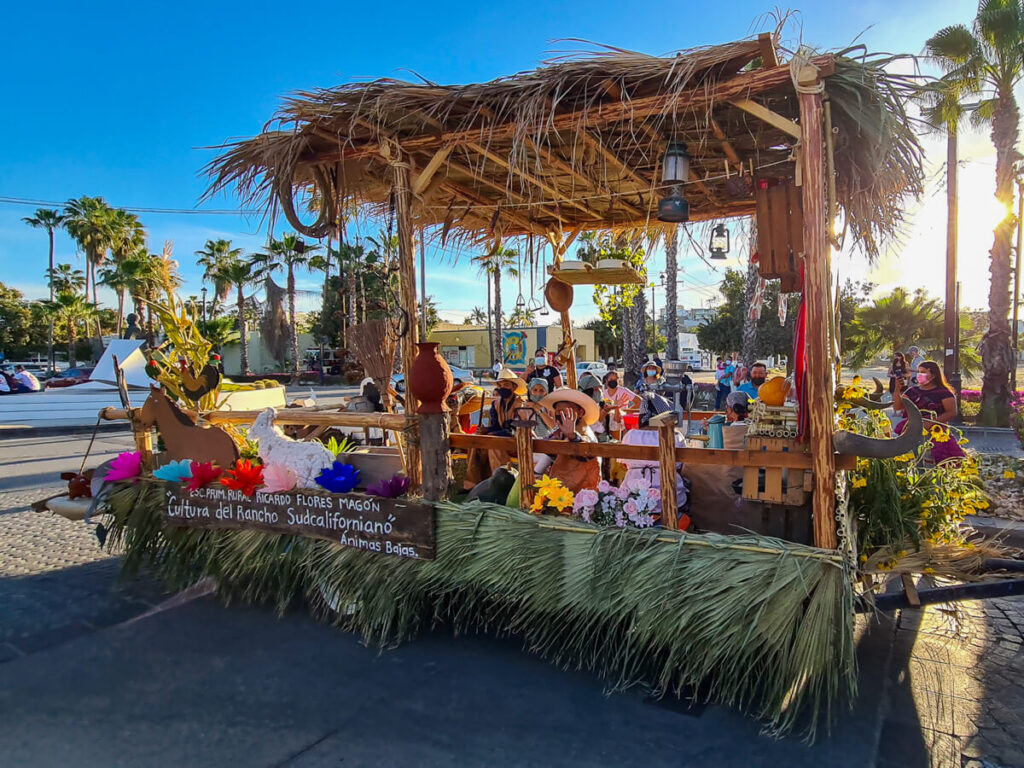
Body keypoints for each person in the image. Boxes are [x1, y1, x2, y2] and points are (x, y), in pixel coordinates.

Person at [463, 368, 527, 490]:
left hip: (516, 439)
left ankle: (499, 485)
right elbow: (495, 425)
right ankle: (472, 484)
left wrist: (492, 433)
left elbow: (514, 429)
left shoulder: (521, 403)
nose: (503, 388)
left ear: (513, 387)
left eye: (506, 385)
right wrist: (485, 430)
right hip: (499, 437)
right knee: (475, 441)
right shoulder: (496, 403)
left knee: (493, 444)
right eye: (501, 385)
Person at [620, 392, 688, 504]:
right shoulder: (676, 437)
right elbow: (682, 466)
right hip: (672, 497)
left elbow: (623, 465)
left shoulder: (630, 435)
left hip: (633, 497)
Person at [892, 360, 965, 463]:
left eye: (923, 372)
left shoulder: (944, 393)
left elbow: (951, 412)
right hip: (912, 430)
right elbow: (898, 407)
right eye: (918, 372)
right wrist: (897, 390)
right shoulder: (912, 391)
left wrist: (930, 422)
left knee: (938, 461)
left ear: (934, 375)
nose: (919, 375)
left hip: (937, 433)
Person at [537, 387, 602, 492]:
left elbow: (587, 452)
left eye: (566, 411)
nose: (561, 415)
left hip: (581, 496)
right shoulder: (560, 433)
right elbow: (544, 461)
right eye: (558, 411)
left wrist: (572, 436)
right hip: (558, 493)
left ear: (580, 413)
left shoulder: (585, 433)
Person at [602, 370, 639, 439]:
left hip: (621, 420)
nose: (613, 381)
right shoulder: (603, 393)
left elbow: (639, 401)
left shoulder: (623, 391)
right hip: (608, 419)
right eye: (611, 379)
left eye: (616, 379)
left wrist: (627, 412)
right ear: (606, 381)